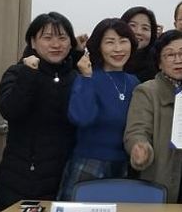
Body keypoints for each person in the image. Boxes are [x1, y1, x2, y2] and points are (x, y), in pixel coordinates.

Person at [0, 12, 79, 212]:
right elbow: (10, 110)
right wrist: (30, 73)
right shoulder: (18, 72)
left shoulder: (75, 76)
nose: (56, 44)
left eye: (62, 37)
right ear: (33, 42)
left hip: (60, 178)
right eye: (47, 37)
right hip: (21, 179)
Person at [58, 18, 140, 200]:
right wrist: (86, 78)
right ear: (99, 47)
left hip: (124, 164)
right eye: (110, 42)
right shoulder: (88, 77)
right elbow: (82, 118)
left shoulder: (134, 82)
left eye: (123, 41)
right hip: (89, 163)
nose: (118, 49)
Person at [124, 30, 182, 203]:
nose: (178, 60)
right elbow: (137, 131)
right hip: (162, 177)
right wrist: (140, 147)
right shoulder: (147, 91)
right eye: (170, 55)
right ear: (159, 63)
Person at [121, 6, 158, 82]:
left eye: (145, 28)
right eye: (132, 25)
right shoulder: (107, 61)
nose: (138, 32)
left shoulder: (159, 64)